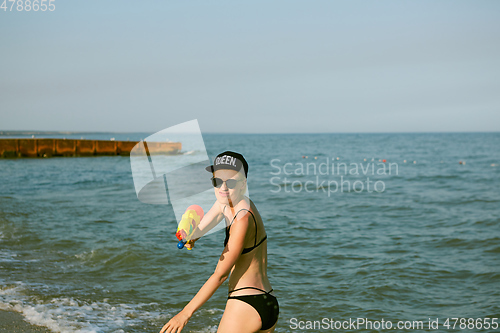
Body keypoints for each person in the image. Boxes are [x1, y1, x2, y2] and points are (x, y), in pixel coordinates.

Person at [160, 151, 279, 333]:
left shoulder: (242, 219)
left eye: (230, 182)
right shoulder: (226, 203)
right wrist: (188, 235)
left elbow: (220, 276)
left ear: (243, 184)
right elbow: (199, 230)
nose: (223, 187)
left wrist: (185, 313)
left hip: (246, 303)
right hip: (267, 302)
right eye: (217, 181)